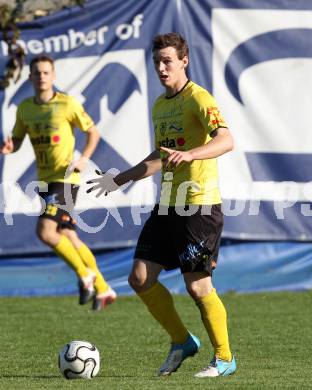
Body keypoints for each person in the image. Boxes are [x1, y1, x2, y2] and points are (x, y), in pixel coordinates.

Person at [87, 32, 236, 376]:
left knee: (198, 287)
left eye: (167, 60)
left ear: (184, 60)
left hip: (199, 206)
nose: (161, 67)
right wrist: (119, 179)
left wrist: (191, 154)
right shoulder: (160, 105)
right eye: (157, 61)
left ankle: (225, 358)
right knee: (140, 278)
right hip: (168, 205)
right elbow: (160, 156)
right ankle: (182, 341)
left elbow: (226, 139)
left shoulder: (199, 98)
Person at [0, 55, 116, 311]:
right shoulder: (25, 109)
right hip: (45, 180)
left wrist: (84, 158)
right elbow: (18, 140)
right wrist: (11, 146)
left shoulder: (67, 104)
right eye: (37, 73)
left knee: (45, 231)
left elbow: (92, 132)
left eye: (45, 72)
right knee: (68, 235)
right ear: (30, 77)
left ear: (53, 76)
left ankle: (86, 276)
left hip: (66, 179)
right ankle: (103, 288)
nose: (41, 76)